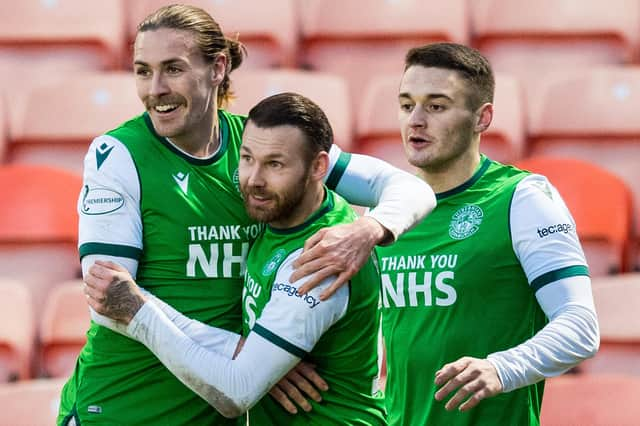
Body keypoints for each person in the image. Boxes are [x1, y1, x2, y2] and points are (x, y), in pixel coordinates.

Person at [58, 4, 435, 426]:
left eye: (174, 69)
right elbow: (109, 300)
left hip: (219, 408)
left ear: (218, 68)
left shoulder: (260, 149)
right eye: (143, 71)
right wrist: (254, 356)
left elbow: (412, 189)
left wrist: (369, 228)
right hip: (128, 403)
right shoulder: (118, 155)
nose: (156, 88)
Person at [85, 92, 387, 425]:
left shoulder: (318, 258)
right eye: (246, 158)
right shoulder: (279, 219)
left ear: (318, 167)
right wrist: (259, 356)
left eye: (275, 164)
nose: (254, 179)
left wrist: (138, 312)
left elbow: (236, 391)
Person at [376, 42, 599, 426]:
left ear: (482, 118)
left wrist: (503, 368)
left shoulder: (521, 199)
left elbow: (581, 327)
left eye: (437, 106)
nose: (415, 119)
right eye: (406, 104)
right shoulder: (387, 210)